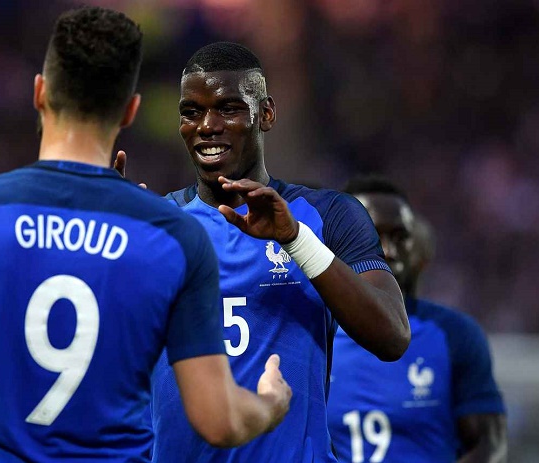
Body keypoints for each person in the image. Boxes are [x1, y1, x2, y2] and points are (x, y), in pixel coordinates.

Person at [0, 8, 292, 462]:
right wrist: (270, 404)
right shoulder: (174, 238)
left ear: (39, 92)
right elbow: (219, 422)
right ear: (130, 110)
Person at [140, 42, 410, 463]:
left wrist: (295, 240)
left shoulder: (328, 216)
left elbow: (392, 335)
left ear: (265, 114)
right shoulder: (156, 225)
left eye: (228, 108)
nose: (207, 125)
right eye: (191, 112)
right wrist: (105, 248)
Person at [327, 174, 507, 462]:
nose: (388, 251)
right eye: (371, 235)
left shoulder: (454, 335)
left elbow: (489, 444)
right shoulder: (309, 333)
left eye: (400, 237)